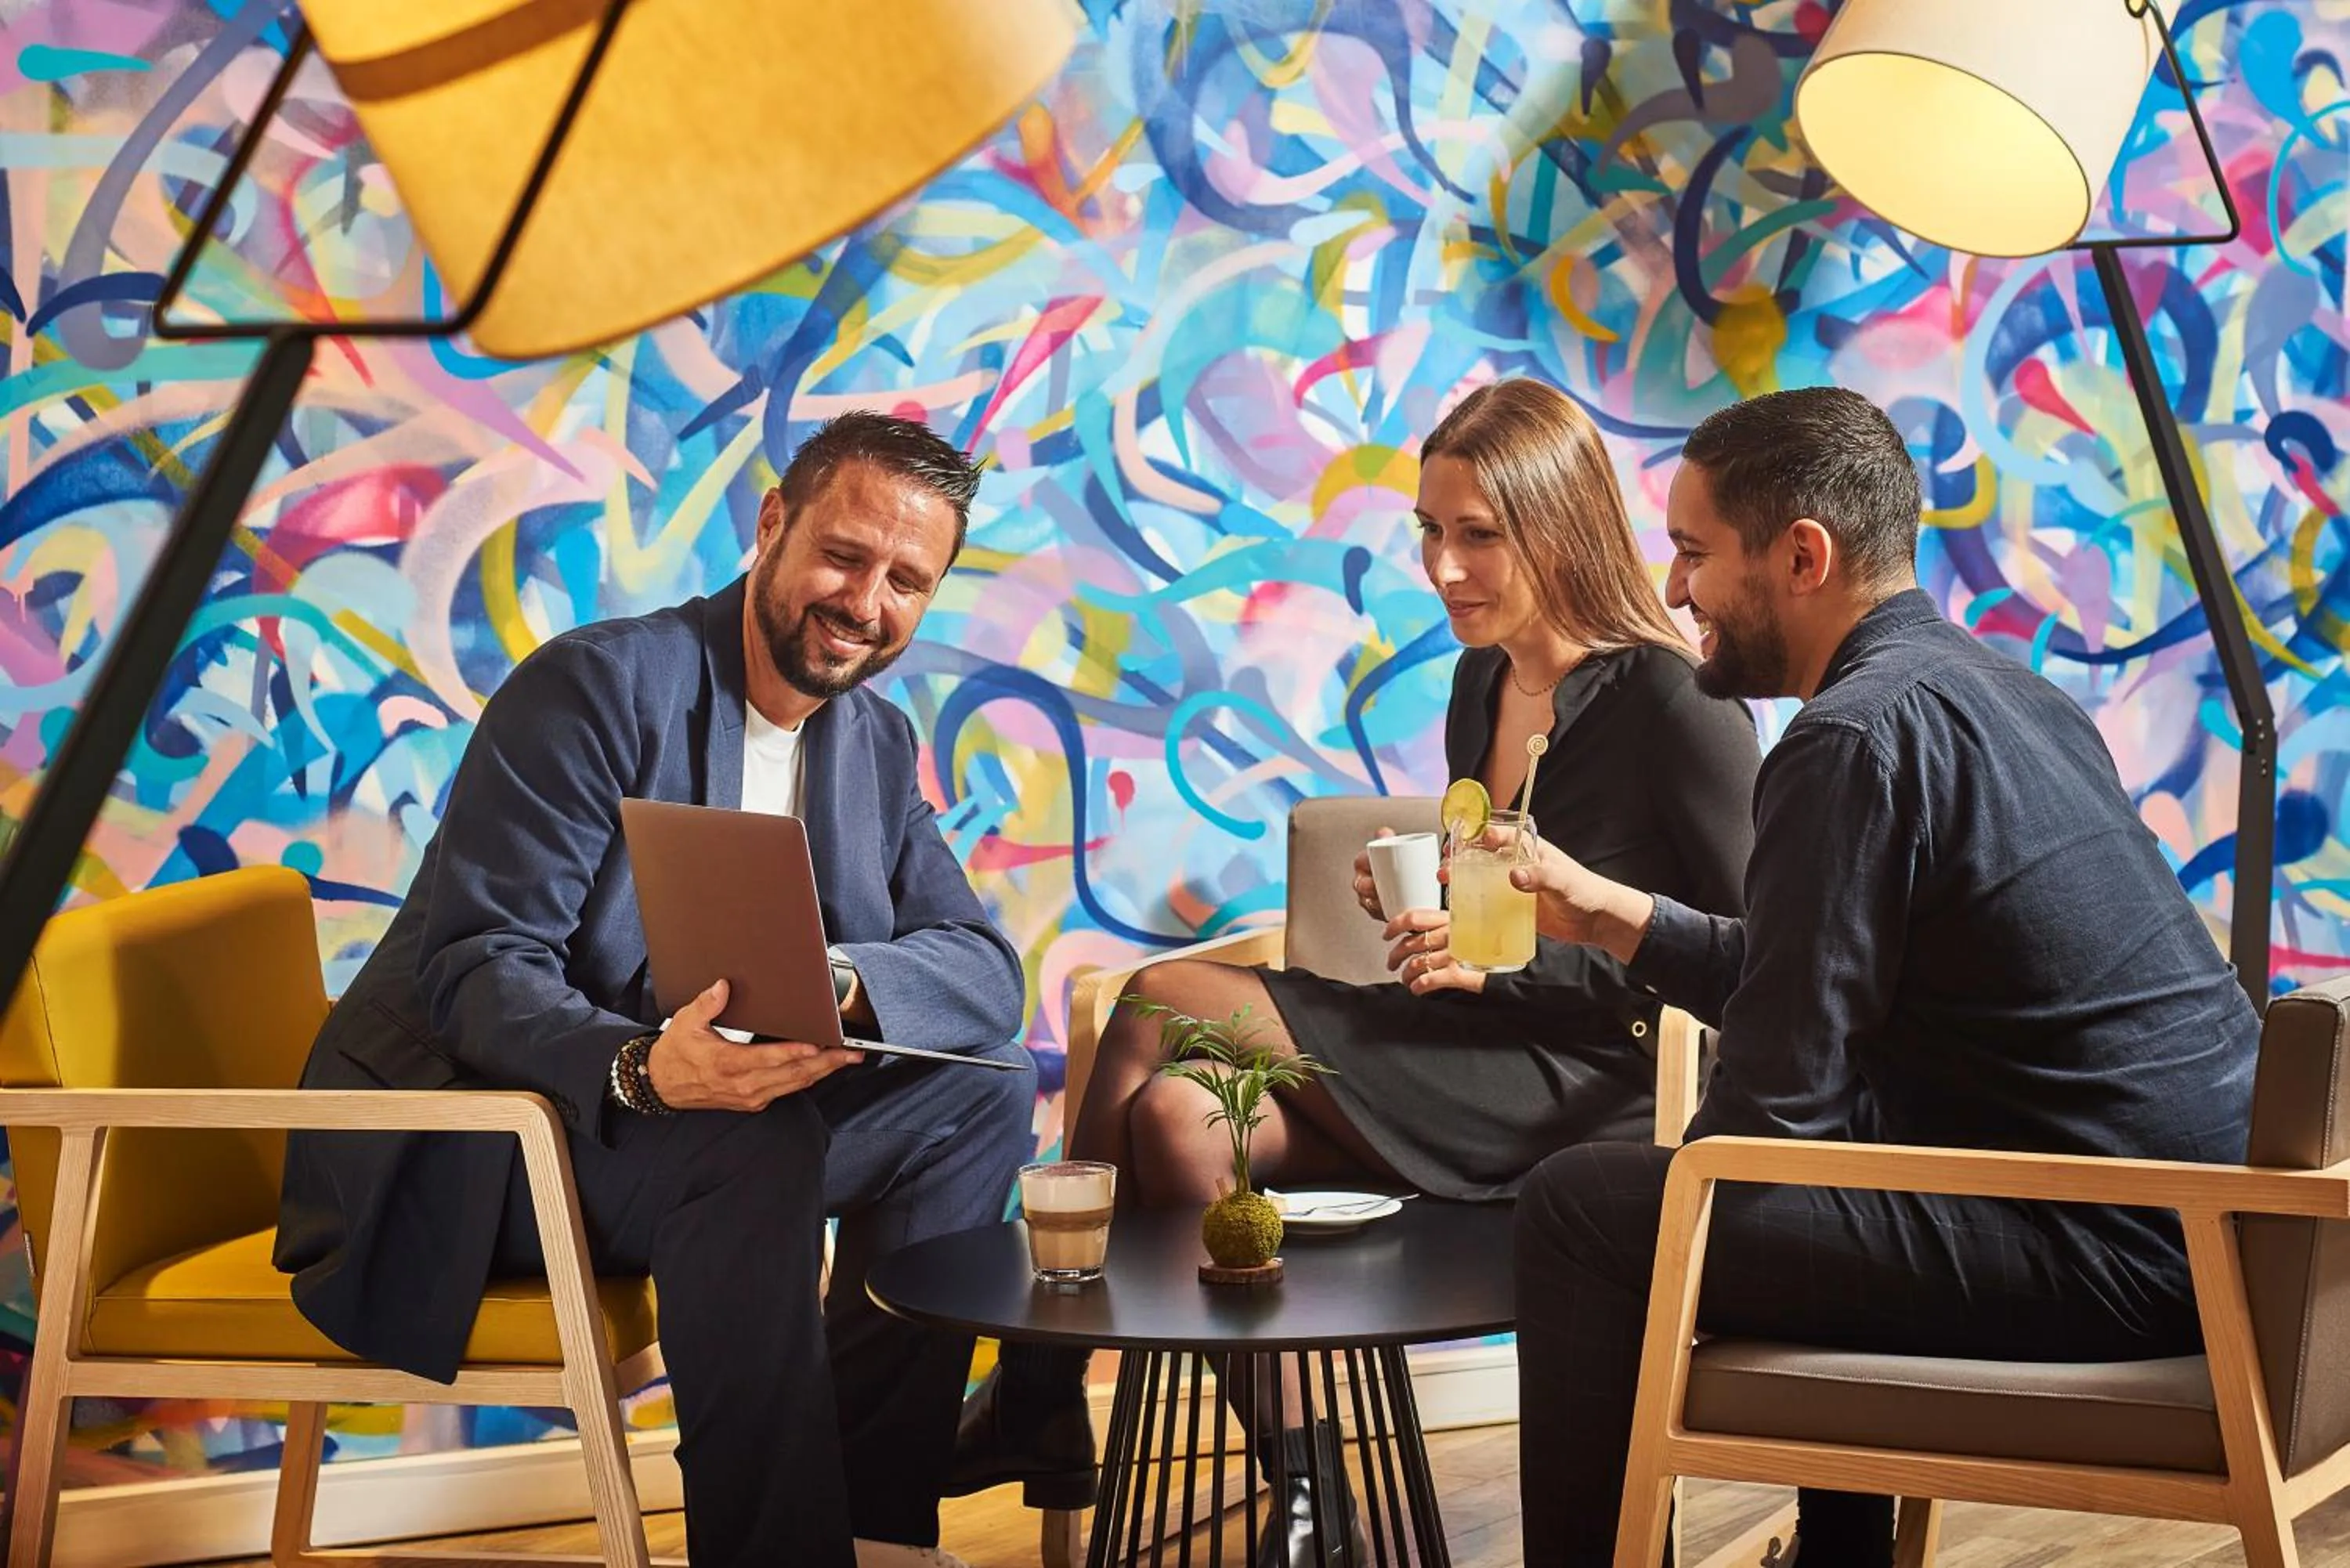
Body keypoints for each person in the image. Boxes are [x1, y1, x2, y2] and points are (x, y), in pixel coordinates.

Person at [960, 378, 1762, 1566]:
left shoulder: (1671, 702)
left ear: (1560, 521)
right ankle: (1308, 1485)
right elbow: (1500, 891)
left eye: (1477, 534)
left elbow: (1738, 959)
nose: (1444, 567)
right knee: (1183, 1126)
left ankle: (1041, 1381)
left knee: (1153, 1000)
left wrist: (1501, 969)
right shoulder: (1478, 682)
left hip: (1581, 1087)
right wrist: (1426, 903)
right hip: (1453, 1054)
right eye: (1432, 534)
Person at [1506, 386, 2261, 1568]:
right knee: (1820, 1145)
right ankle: (1838, 1554)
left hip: (2116, 1259)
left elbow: (1776, 1119)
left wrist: (1684, 1192)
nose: (1671, 592)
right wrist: (1623, 920)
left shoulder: (1848, 739)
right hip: (2220, 1236)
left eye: (1694, 552)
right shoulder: (2004, 692)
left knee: (1582, 1209)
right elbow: (1836, 984)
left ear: (1801, 555)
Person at [275, 413, 1038, 1568]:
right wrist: (643, 1068)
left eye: (906, 580)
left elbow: (983, 969)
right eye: (844, 554)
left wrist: (833, 980)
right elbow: (477, 967)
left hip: (680, 1144)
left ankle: (880, 1525)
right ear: (773, 522)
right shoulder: (594, 687)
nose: (866, 601)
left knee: (977, 1100)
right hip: (488, 1136)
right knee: (751, 1142)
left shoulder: (872, 739)